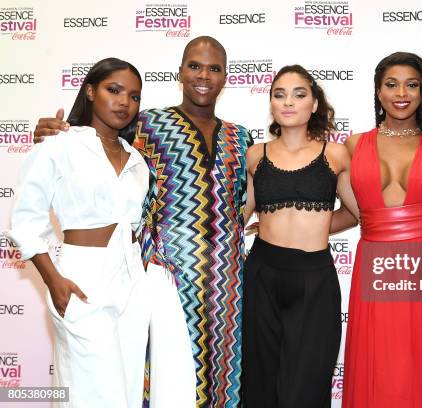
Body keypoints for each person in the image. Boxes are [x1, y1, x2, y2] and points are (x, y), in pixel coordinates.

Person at [33, 36, 251, 408]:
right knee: (160, 376)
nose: (203, 75)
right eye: (195, 66)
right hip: (161, 273)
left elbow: (241, 202)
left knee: (222, 373)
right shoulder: (146, 124)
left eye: (214, 68)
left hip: (225, 278)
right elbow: (95, 141)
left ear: (225, 77)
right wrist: (52, 131)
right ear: (180, 72)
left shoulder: (241, 136)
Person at [8, 58, 149, 408]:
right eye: (113, 90)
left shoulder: (137, 160)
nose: (123, 102)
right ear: (90, 91)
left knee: (128, 391)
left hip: (132, 281)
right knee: (92, 393)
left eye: (133, 96)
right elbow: (25, 219)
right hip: (81, 279)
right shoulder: (59, 144)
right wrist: (52, 278)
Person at [334, 52, 422, 408]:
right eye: (391, 84)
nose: (400, 93)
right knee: (382, 367)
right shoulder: (352, 145)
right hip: (375, 262)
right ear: (378, 91)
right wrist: (286, 230)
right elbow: (350, 213)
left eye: (411, 84)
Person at [240, 65, 359, 408]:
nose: (288, 101)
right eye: (279, 94)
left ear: (315, 104)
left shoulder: (334, 154)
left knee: (305, 387)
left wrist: (318, 225)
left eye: (299, 94)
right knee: (261, 380)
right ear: (272, 105)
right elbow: (241, 215)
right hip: (262, 273)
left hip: (314, 279)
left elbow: (355, 213)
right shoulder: (255, 155)